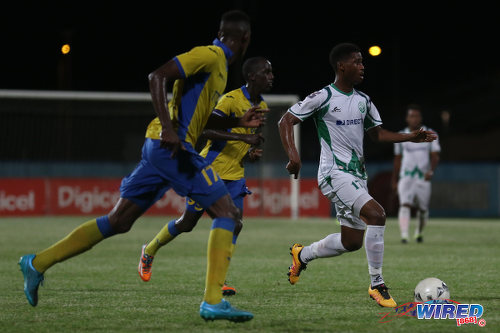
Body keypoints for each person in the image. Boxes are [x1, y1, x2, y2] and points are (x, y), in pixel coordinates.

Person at [19, 10, 262, 322]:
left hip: (159, 149)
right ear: (245, 39)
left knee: (118, 221)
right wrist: (169, 129)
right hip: (172, 149)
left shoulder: (217, 69)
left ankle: (37, 263)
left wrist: (235, 121)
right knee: (228, 213)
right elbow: (157, 76)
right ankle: (213, 301)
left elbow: (197, 120)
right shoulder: (210, 55)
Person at [278, 43, 437, 308]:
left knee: (350, 241)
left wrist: (412, 136)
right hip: (333, 173)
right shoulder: (323, 97)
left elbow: (379, 134)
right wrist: (294, 156)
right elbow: (286, 120)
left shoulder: (364, 101)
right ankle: (377, 284)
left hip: (356, 175)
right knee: (377, 214)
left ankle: (302, 255)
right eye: (358, 62)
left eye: (362, 62)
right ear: (342, 66)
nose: (362, 67)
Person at [138, 57, 274, 297]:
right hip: (211, 169)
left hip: (235, 175)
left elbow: (248, 136)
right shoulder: (231, 100)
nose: (271, 77)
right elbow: (204, 128)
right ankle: (149, 250)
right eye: (267, 72)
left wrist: (250, 152)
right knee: (187, 223)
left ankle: (219, 280)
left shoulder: (261, 106)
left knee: (236, 224)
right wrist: (243, 139)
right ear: (252, 76)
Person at [392, 104, 440, 243]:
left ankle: (418, 233)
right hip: (406, 176)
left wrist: (431, 171)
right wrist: (394, 179)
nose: (414, 119)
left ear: (421, 118)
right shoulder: (401, 135)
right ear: (407, 118)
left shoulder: (430, 133)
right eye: (411, 116)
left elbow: (435, 155)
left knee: (423, 208)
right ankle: (404, 236)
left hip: (423, 177)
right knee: (405, 204)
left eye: (417, 116)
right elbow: (397, 159)